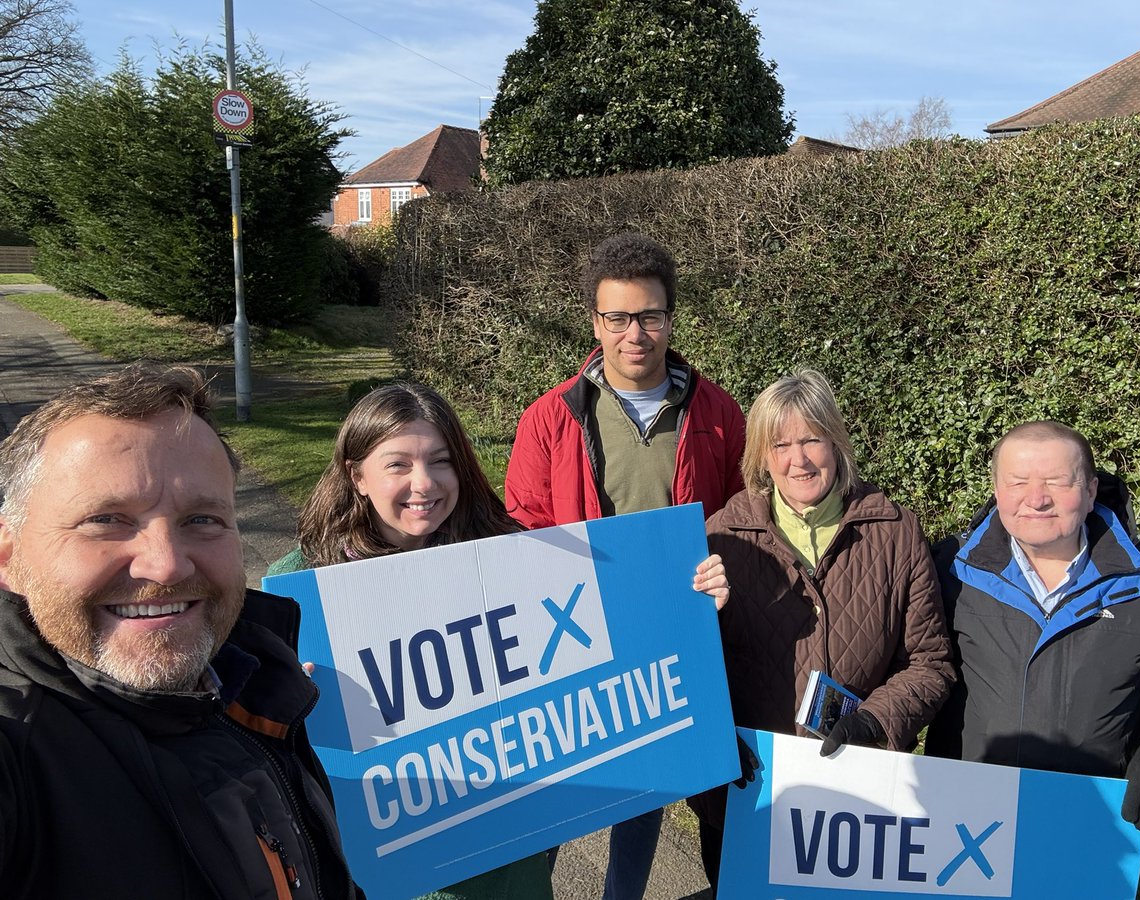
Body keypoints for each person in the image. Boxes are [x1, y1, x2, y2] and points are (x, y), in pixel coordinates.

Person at [267, 381, 731, 899]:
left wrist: (686, 596)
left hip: (510, 871)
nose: (424, 484)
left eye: (440, 461)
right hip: (383, 873)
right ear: (357, 476)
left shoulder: (504, 556)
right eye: (398, 464)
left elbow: (611, 622)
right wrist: (282, 703)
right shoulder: (299, 593)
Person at [0, 363, 363, 900]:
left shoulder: (256, 683)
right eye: (106, 519)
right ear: (8, 557)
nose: (166, 566)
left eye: (202, 520)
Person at [505, 231, 746, 900]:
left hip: (671, 635)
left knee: (646, 789)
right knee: (560, 792)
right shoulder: (549, 418)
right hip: (575, 635)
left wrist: (721, 570)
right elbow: (521, 527)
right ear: (595, 322)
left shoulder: (720, 413)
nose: (634, 333)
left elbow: (738, 520)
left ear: (671, 318)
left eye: (649, 315)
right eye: (617, 317)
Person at [694, 369, 955, 893]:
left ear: (836, 442)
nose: (799, 459)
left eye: (812, 439)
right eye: (781, 444)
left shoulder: (895, 530)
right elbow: (689, 667)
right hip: (749, 788)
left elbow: (930, 663)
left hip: (857, 792)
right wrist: (717, 739)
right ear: (762, 456)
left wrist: (874, 723)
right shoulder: (720, 535)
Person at [924, 421, 1140, 831]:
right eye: (1017, 482)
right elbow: (911, 661)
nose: (1036, 499)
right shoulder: (948, 571)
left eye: (1056, 482)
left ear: (1090, 491)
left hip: (1093, 815)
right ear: (997, 491)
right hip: (966, 808)